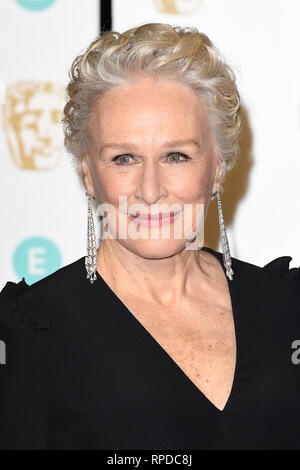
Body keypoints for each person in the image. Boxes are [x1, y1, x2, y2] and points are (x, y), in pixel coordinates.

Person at [0, 22, 299, 450]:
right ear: (88, 172)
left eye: (176, 156)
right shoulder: (27, 337)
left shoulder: (287, 309)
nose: (151, 190)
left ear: (217, 167)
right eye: (124, 159)